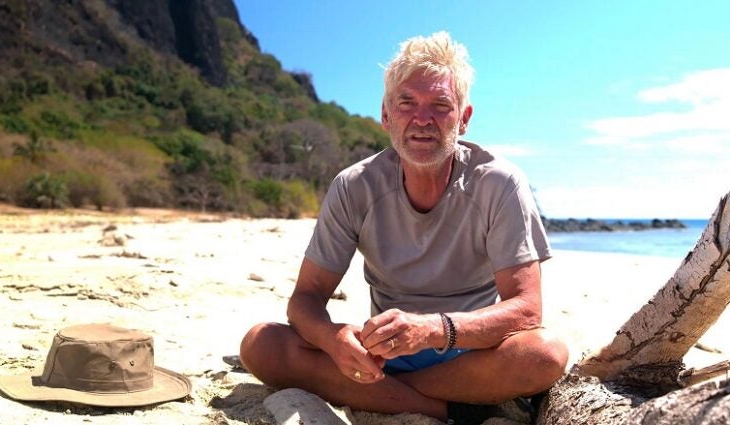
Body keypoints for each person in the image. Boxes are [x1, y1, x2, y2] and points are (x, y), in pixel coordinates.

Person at [239, 31, 568, 424]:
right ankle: (451, 409)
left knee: (544, 353)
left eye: (440, 105)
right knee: (260, 344)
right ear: (385, 114)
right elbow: (305, 300)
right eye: (407, 102)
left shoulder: (498, 182)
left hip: (470, 353)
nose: (422, 119)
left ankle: (391, 397)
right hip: (380, 353)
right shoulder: (355, 186)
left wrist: (432, 329)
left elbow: (527, 311)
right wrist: (334, 339)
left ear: (463, 118)